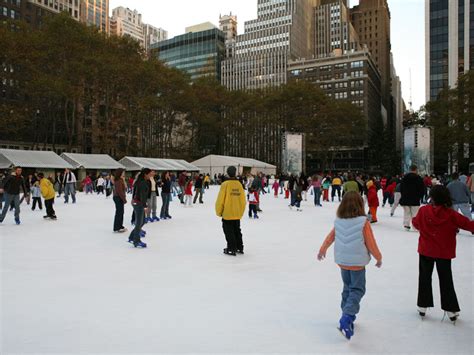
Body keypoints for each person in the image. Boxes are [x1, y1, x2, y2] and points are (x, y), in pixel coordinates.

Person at [317, 191, 382, 340]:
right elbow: (370, 243)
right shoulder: (363, 222)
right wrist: (378, 257)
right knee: (357, 289)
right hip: (358, 263)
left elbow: (330, 237)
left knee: (347, 287)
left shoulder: (339, 221)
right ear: (360, 204)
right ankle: (347, 315)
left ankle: (346, 313)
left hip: (343, 261)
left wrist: (322, 249)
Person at [412, 185, 474, 322]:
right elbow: (469, 224)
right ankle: (451, 309)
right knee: (446, 280)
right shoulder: (451, 215)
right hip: (444, 251)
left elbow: (416, 223)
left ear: (432, 197)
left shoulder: (423, 211)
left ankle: (422, 305)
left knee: (424, 277)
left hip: (426, 250)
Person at [215, 166, 246, 256]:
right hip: (237, 213)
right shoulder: (239, 184)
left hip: (228, 213)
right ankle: (239, 247)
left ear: (228, 173)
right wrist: (241, 211)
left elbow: (220, 199)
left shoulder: (225, 184)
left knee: (229, 231)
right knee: (237, 230)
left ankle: (231, 248)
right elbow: (243, 200)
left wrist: (219, 211)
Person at [128, 169, 152, 248]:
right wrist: (144, 206)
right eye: (149, 174)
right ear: (145, 174)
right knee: (139, 222)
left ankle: (132, 237)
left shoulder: (141, 181)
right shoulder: (142, 182)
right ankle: (136, 241)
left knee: (142, 222)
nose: (150, 176)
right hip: (139, 204)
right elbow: (142, 195)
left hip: (138, 203)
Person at [400, 165, 425, 231]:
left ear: (409, 169)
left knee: (407, 212)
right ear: (416, 169)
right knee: (415, 213)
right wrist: (420, 196)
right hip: (415, 198)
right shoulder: (418, 178)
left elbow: (401, 188)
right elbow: (422, 189)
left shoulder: (404, 177)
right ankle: (415, 226)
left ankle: (406, 225)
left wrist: (403, 195)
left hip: (405, 198)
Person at [112, 169, 127, 233]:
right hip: (118, 197)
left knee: (121, 212)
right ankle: (117, 227)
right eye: (123, 173)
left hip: (119, 197)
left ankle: (120, 226)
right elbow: (119, 191)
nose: (124, 174)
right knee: (119, 213)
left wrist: (123, 180)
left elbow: (125, 188)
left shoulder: (121, 180)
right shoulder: (118, 181)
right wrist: (124, 199)